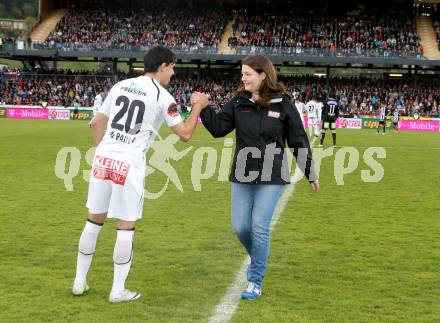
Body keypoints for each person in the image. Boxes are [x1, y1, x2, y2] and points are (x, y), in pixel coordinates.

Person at [72, 46, 208, 303]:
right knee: (125, 225)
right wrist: (198, 107)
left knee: (93, 221)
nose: (174, 72)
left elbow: (98, 122)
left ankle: (79, 282)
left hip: (103, 157)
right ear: (164, 65)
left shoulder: (120, 85)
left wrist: (99, 151)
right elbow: (185, 134)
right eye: (173, 67)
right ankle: (117, 290)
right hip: (129, 163)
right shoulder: (163, 96)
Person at [196, 55, 319, 300]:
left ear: (263, 75)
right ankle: (259, 255)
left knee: (259, 226)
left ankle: (255, 280)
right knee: (241, 227)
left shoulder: (283, 103)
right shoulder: (239, 101)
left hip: (272, 174)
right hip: (242, 172)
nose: (243, 78)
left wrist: (309, 171)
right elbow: (219, 128)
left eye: (247, 74)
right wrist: (205, 107)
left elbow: (298, 139)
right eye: (242, 74)